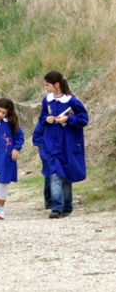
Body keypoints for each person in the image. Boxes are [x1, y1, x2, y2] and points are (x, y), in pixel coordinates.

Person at [38, 70, 88, 218]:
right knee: (54, 174)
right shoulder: (46, 100)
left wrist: (67, 119)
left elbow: (84, 119)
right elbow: (41, 118)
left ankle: (67, 205)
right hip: (51, 144)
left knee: (65, 175)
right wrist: (47, 119)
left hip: (67, 143)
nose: (45, 87)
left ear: (56, 85)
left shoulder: (71, 101)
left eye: (47, 85)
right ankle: (57, 207)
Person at [32, 119, 52, 211]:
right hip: (46, 151)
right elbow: (36, 136)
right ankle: (49, 200)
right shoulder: (44, 119)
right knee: (49, 175)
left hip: (60, 151)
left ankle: (62, 200)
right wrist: (42, 146)